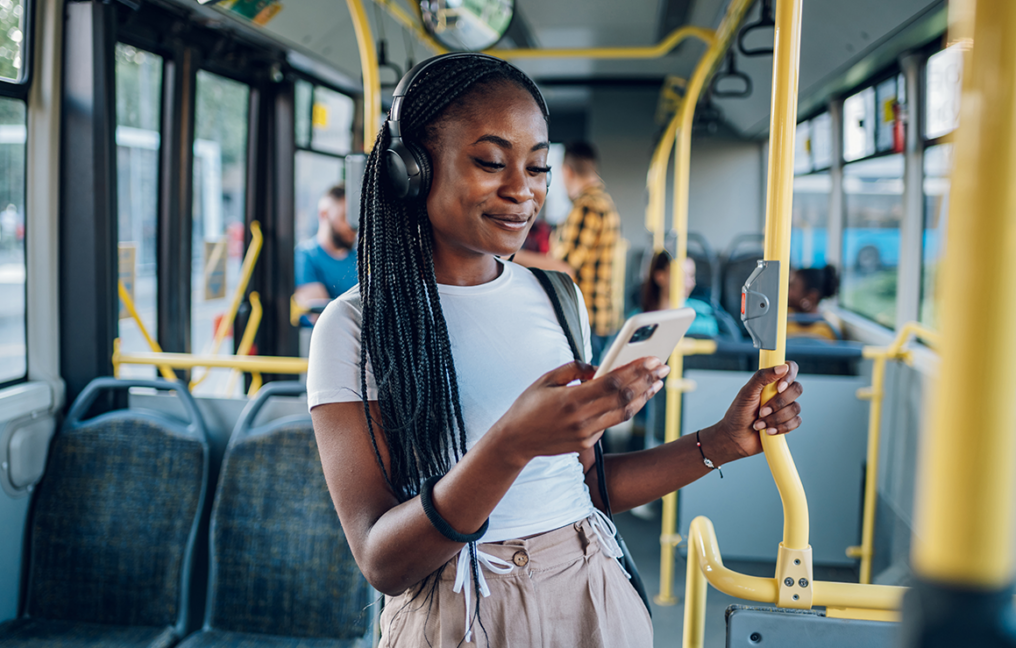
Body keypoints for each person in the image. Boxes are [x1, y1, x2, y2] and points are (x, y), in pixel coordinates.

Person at [307, 53, 804, 648]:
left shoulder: (557, 296)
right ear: (411, 169)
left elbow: (587, 490)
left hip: (591, 586)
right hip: (459, 605)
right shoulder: (355, 326)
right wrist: (510, 445)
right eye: (491, 162)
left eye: (539, 167)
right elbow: (382, 562)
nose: (522, 191)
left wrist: (720, 442)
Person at [549, 141, 620, 360]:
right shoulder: (605, 203)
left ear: (567, 171)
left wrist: (513, 257)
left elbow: (564, 267)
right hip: (600, 318)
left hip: (585, 318)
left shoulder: (587, 207)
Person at [294, 184, 359, 321]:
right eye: (344, 218)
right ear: (324, 214)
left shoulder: (359, 259)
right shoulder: (305, 257)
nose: (352, 226)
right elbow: (321, 318)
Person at [640, 251, 725, 339]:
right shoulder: (639, 320)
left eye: (691, 276)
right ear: (660, 277)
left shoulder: (706, 314)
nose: (689, 283)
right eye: (682, 275)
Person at [786, 265, 842, 341]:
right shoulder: (784, 317)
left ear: (810, 297)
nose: (787, 292)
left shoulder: (827, 330)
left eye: (792, 287)